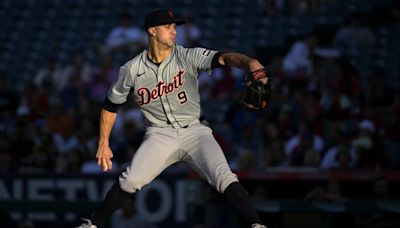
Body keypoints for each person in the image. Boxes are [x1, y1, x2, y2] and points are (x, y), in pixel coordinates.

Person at [77, 9, 268, 228]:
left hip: (196, 131)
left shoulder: (187, 55)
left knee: (224, 177)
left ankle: (257, 225)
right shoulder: (131, 69)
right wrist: (103, 142)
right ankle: (92, 225)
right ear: (152, 31)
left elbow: (223, 58)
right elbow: (110, 105)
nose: (174, 31)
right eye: (168, 27)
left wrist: (250, 62)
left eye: (175, 26)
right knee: (130, 180)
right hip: (159, 134)